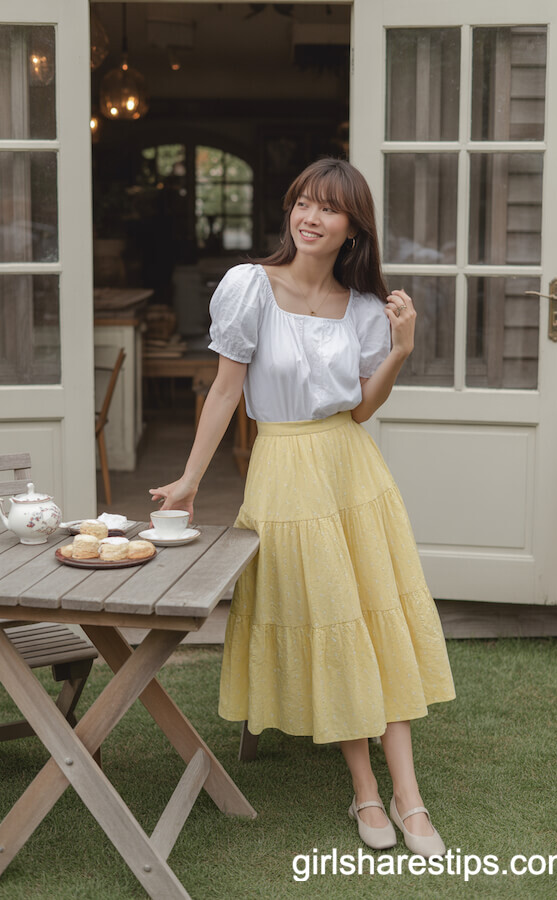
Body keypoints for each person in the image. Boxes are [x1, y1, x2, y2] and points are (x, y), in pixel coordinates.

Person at [150, 157, 455, 855]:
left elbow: (358, 411)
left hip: (353, 474)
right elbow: (226, 391)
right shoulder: (249, 288)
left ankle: (410, 797)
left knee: (376, 616)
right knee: (330, 619)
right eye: (302, 203)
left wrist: (400, 351)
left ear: (352, 228)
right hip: (285, 471)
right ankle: (366, 791)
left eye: (328, 208)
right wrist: (192, 478)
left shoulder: (367, 308)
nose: (310, 217)